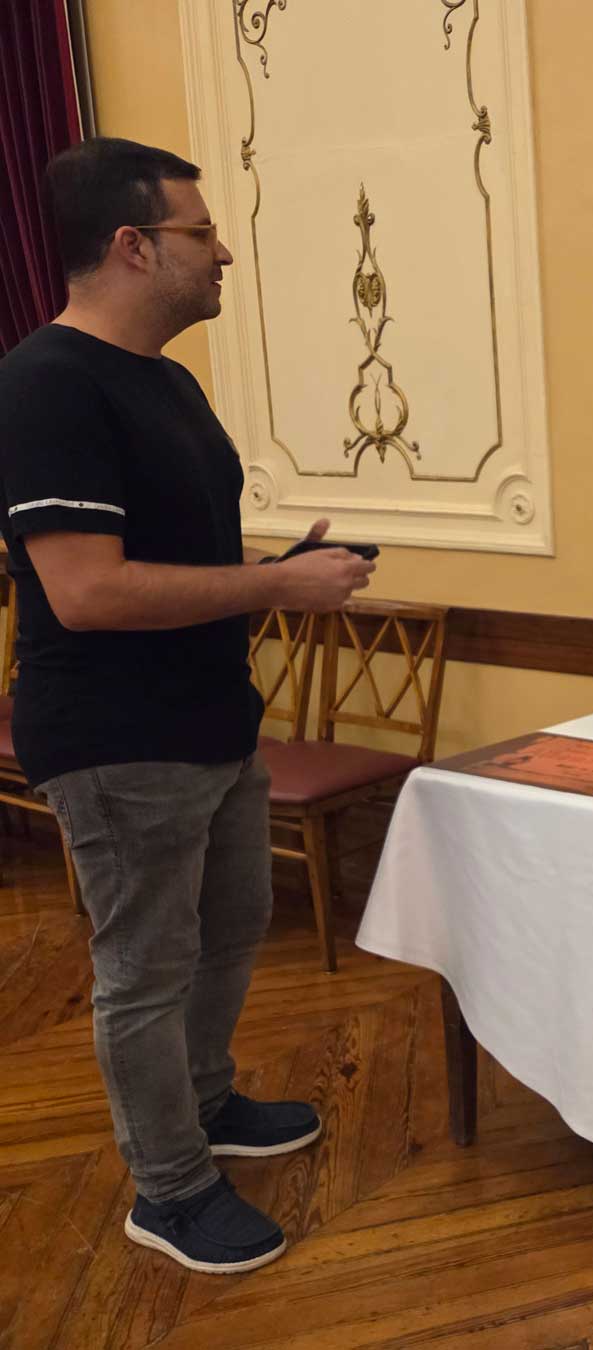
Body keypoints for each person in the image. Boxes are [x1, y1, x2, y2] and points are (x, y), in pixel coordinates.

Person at [0, 138, 375, 1274]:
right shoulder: (44, 384)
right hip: (118, 745)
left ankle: (205, 1106)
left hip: (212, 719)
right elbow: (86, 590)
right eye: (202, 234)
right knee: (146, 968)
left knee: (232, 929)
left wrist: (277, 566)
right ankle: (165, 1188)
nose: (223, 255)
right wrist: (276, 583)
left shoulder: (165, 381)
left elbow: (174, 563)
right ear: (132, 244)